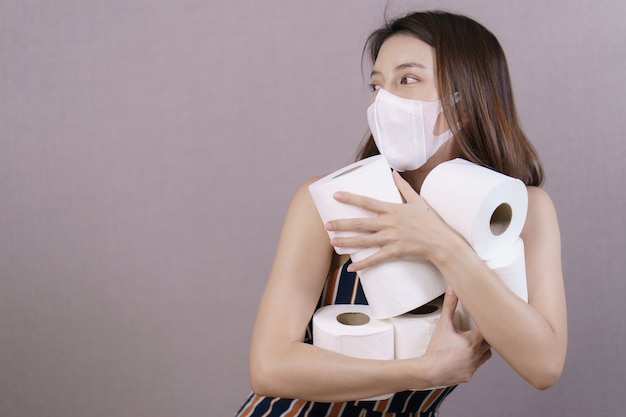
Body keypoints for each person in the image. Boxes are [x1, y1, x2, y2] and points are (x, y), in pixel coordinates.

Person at [235, 10, 567, 417]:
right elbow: (269, 368)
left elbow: (544, 365)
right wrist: (420, 372)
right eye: (377, 85)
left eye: (407, 80)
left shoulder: (524, 212)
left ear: (464, 103)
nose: (383, 100)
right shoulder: (330, 200)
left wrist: (442, 244)